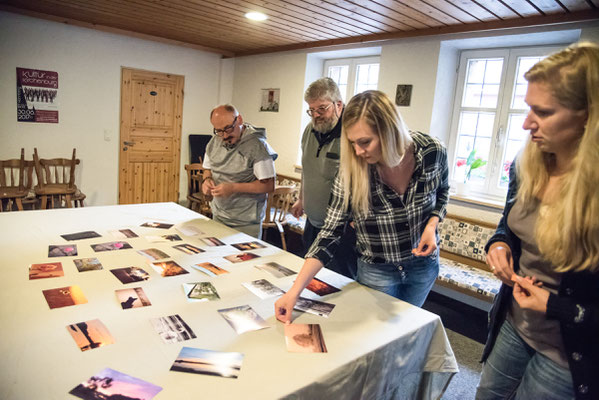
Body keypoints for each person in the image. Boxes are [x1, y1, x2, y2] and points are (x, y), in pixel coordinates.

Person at [476, 42, 599, 400]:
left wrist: (554, 305)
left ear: (588, 116)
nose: (527, 123)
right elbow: (508, 225)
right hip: (516, 324)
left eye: (542, 112)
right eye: (529, 107)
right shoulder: (528, 163)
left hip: (568, 352)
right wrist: (498, 244)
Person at [275, 90, 449, 322]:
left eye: (365, 142)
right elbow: (329, 234)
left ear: (389, 130)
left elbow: (443, 192)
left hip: (423, 266)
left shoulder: (432, 152)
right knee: (375, 335)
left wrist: (431, 225)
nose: (357, 151)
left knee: (407, 329)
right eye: (352, 143)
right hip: (377, 270)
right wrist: (294, 292)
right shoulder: (351, 172)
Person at [291, 77, 357, 279]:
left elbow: (361, 181)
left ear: (338, 105)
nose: (316, 115)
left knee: (339, 282)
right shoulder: (309, 131)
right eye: (311, 110)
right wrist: (302, 199)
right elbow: (307, 168)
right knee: (313, 280)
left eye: (322, 109)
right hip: (313, 223)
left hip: (341, 230)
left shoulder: (351, 135)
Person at [202, 104, 277, 239]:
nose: (224, 136)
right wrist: (206, 180)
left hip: (246, 222)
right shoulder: (214, 141)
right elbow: (207, 169)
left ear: (240, 120)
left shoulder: (257, 146)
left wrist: (233, 188)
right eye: (219, 131)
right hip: (219, 215)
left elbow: (269, 185)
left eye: (228, 129)